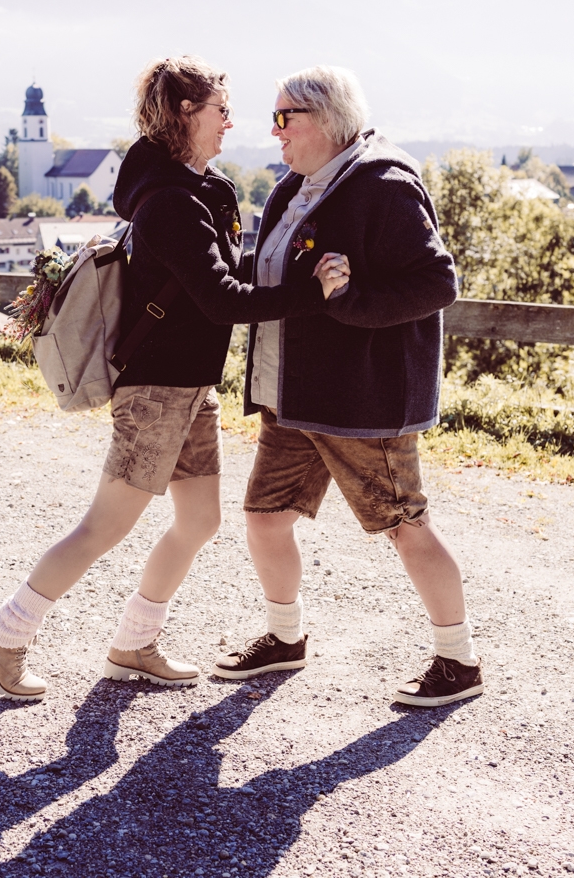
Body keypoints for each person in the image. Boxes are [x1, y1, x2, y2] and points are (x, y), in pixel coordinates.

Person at [0, 56, 351, 701]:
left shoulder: (209, 190)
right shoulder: (169, 203)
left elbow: (233, 268)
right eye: (220, 111)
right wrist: (313, 295)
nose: (231, 122)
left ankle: (134, 644)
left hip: (192, 387)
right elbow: (223, 299)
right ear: (184, 114)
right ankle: (4, 638)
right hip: (153, 392)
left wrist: (297, 262)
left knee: (198, 521)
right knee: (103, 527)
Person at [212, 65, 483, 708]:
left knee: (404, 526)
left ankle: (459, 661)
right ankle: (285, 640)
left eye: (284, 118)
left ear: (326, 121)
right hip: (295, 395)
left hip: (362, 400)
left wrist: (353, 302)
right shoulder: (297, 187)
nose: (272, 130)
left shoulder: (384, 185)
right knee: (266, 518)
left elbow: (436, 283)